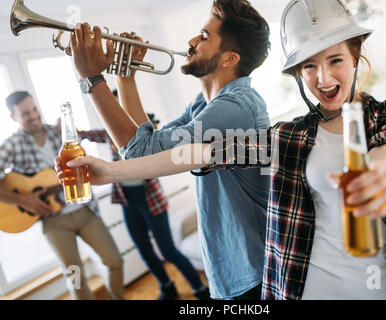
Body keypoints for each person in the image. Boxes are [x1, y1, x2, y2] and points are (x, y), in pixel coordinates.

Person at [57, 0, 386, 300]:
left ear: (356, 57)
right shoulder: (288, 137)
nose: (322, 78)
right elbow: (205, 153)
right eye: (308, 67)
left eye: (336, 60)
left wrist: (381, 171)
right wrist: (111, 172)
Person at [67, 0, 272, 300]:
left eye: (203, 37)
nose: (191, 42)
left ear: (229, 58)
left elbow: (139, 152)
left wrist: (92, 79)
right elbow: (148, 146)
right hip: (231, 269)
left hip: (251, 273)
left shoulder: (236, 107)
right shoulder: (204, 105)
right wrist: (126, 76)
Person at [78, 95, 210, 300]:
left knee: (168, 250)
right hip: (127, 200)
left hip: (151, 199)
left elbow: (156, 142)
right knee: (144, 250)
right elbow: (88, 134)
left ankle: (200, 289)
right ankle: (167, 287)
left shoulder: (143, 126)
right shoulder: (109, 132)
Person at [0, 91, 124, 300]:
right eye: (25, 113)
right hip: (53, 222)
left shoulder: (60, 133)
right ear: (14, 118)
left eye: (34, 109)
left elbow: (92, 142)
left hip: (85, 211)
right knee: (75, 277)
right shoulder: (11, 145)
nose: (33, 115)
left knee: (115, 261)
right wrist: (23, 200)